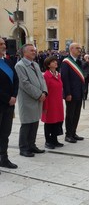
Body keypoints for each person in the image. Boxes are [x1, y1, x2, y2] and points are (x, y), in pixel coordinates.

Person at [15, 44, 47, 157]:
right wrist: (39, 94)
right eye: (31, 50)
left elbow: (42, 79)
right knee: (27, 124)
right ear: (24, 53)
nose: (34, 52)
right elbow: (24, 83)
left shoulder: (36, 64)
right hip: (28, 99)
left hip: (38, 99)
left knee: (35, 123)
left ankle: (32, 145)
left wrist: (44, 92)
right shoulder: (20, 66)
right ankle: (23, 148)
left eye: (35, 50)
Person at [0, 38, 19, 169]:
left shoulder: (7, 61)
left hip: (9, 103)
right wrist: (7, 98)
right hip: (2, 102)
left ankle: (4, 158)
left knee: (5, 133)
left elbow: (16, 80)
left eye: (4, 44)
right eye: (1, 44)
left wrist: (14, 95)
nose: (4, 46)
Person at [61, 43, 85, 143]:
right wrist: (67, 93)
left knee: (76, 114)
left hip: (79, 92)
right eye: (77, 48)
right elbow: (65, 79)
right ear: (71, 49)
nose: (79, 50)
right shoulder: (66, 62)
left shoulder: (78, 62)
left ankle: (73, 132)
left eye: (80, 48)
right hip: (71, 93)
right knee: (70, 115)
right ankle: (68, 134)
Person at [41, 56, 64, 149]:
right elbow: (45, 91)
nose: (56, 63)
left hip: (58, 103)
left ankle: (54, 139)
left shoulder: (58, 75)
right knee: (49, 122)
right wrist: (45, 106)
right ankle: (48, 141)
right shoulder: (46, 76)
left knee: (57, 122)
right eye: (53, 62)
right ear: (48, 65)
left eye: (56, 61)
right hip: (49, 103)